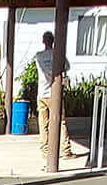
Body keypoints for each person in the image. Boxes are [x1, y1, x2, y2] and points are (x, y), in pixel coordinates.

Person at [33, 31, 78, 161]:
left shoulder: (39, 56)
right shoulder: (58, 54)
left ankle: (45, 151)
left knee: (43, 123)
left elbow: (45, 70)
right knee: (61, 122)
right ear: (53, 41)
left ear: (43, 41)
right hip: (54, 94)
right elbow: (67, 67)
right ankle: (65, 150)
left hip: (42, 93)